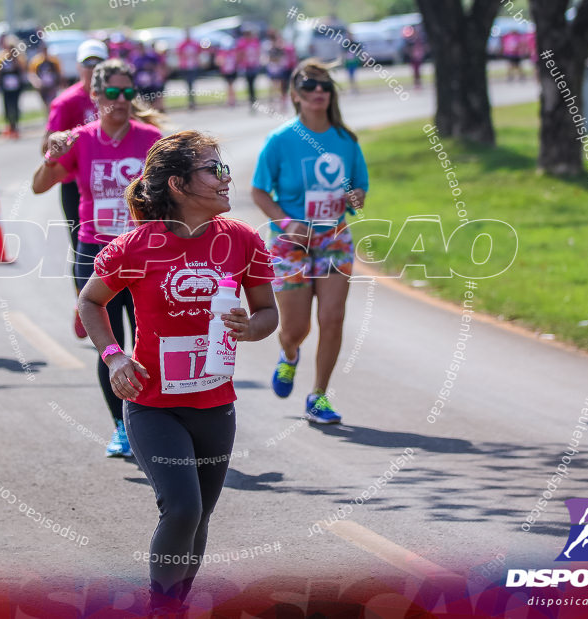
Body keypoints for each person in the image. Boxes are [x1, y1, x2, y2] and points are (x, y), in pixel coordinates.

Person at [79, 131, 278, 615]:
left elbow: (267, 312)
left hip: (215, 404)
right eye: (214, 169)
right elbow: (90, 302)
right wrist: (115, 357)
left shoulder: (242, 240)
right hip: (152, 405)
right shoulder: (134, 247)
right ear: (179, 184)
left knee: (202, 516)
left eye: (222, 167)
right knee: (183, 508)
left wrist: (248, 329)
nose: (226, 177)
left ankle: (176, 605)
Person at [31, 58, 162, 458]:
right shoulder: (82, 139)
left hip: (145, 253)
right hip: (96, 252)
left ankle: (153, 422)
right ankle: (122, 426)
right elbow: (39, 186)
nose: (120, 101)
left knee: (150, 341)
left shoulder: (151, 138)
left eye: (127, 93)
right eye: (112, 93)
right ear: (95, 95)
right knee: (111, 346)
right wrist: (53, 156)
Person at [251, 58, 368, 424]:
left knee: (332, 318)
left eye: (324, 86)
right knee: (296, 328)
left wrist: (356, 197)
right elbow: (258, 191)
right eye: (309, 86)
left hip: (334, 237)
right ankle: (289, 355)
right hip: (291, 244)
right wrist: (286, 223)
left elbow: (359, 185)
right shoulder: (281, 140)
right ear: (295, 95)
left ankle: (318, 395)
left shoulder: (345, 140)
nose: (318, 92)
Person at [41, 39, 109, 339]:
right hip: (77, 186)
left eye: (99, 64)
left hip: (114, 185)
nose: (93, 69)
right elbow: (47, 145)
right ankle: (85, 302)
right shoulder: (67, 102)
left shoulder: (119, 96)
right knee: (82, 246)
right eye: (88, 64)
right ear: (79, 68)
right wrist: (63, 142)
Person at [0, 35, 26, 138]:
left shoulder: (19, 57)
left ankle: (16, 126)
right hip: (6, 86)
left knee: (15, 105)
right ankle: (9, 126)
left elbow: (22, 69)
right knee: (7, 106)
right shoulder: (2, 57)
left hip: (16, 87)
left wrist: (15, 59)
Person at [28, 42, 63, 109]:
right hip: (42, 86)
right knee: (45, 103)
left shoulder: (53, 60)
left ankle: (51, 114)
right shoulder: (36, 61)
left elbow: (59, 72)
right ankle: (48, 115)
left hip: (52, 85)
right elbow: (32, 74)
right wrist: (36, 82)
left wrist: (60, 82)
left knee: (52, 101)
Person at [177, 29, 202, 110]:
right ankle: (190, 102)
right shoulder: (182, 45)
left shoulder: (194, 44)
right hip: (185, 67)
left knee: (192, 84)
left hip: (193, 66)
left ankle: (192, 102)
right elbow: (179, 55)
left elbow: (198, 53)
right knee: (188, 85)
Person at [237, 30, 262, 111]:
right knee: (249, 83)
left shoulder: (255, 42)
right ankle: (251, 99)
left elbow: (258, 52)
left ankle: (253, 99)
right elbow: (240, 54)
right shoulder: (242, 43)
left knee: (253, 83)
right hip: (246, 66)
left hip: (254, 65)